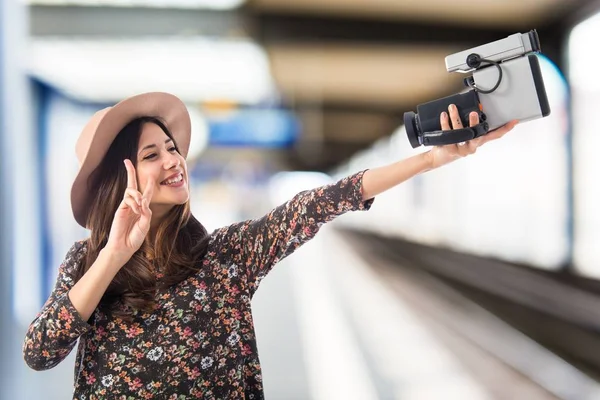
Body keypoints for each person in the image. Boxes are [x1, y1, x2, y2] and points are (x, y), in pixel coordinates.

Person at [22, 92, 518, 399]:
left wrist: (431, 161)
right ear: (119, 178)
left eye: (172, 147)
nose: (174, 160)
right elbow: (41, 351)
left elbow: (318, 202)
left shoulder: (226, 256)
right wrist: (113, 255)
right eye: (151, 154)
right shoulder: (86, 265)